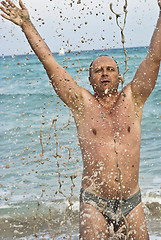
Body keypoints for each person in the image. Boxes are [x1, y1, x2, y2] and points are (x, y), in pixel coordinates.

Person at [1, 0, 161, 239]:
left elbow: (153, 59)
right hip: (94, 202)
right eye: (98, 70)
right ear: (90, 79)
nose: (105, 73)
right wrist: (26, 24)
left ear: (120, 77)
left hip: (132, 202)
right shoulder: (82, 104)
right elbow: (51, 64)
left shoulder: (133, 99)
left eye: (110, 69)